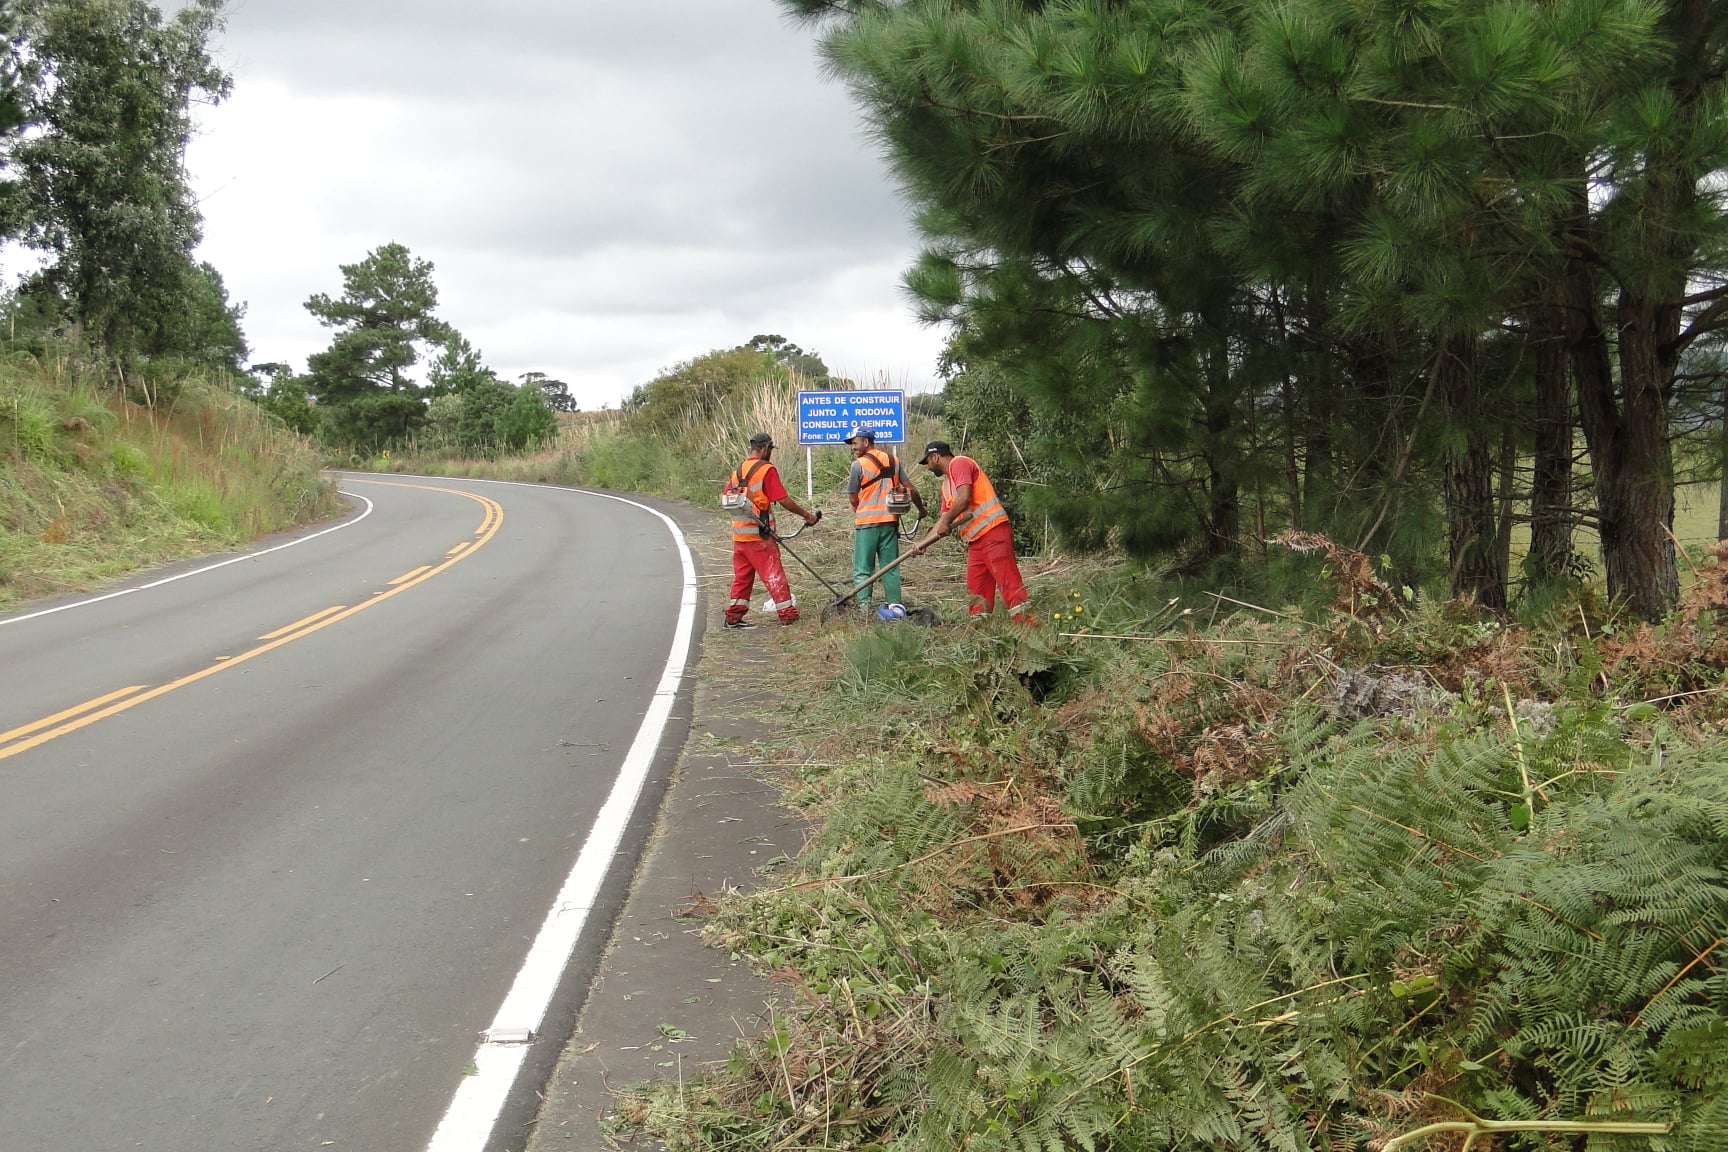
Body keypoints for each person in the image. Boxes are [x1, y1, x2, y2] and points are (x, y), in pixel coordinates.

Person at [909, 440, 1032, 624]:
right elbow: (942, 522)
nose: (927, 467)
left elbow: (965, 498)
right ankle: (981, 636)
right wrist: (922, 544)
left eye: (927, 462)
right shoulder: (946, 487)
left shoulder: (960, 463)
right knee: (977, 593)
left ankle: (1028, 630)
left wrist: (947, 521)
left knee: (1009, 584)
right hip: (976, 542)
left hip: (993, 532)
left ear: (935, 457)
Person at [724, 431, 820, 629]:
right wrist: (807, 515)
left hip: (740, 537)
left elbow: (727, 496)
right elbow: (783, 499)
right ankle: (787, 614)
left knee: (742, 579)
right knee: (774, 574)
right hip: (759, 536)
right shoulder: (766, 469)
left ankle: (733, 617)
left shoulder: (739, 470)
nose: (771, 453)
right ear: (766, 448)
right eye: (771, 449)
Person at [844, 427, 928, 610]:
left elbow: (852, 496)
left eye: (855, 442)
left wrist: (860, 510)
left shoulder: (858, 465)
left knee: (863, 569)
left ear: (866, 442)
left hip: (866, 525)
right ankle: (896, 606)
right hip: (890, 523)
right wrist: (921, 509)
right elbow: (911, 489)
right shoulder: (894, 460)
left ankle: (863, 608)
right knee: (891, 567)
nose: (852, 447)